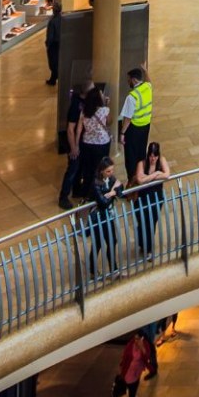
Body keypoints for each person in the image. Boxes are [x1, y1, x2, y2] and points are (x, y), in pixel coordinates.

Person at [58, 79, 97, 209]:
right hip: (73, 141)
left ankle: (76, 190)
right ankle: (63, 197)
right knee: (73, 168)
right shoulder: (76, 106)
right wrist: (73, 147)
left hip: (81, 139)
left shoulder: (85, 102)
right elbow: (70, 129)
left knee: (79, 167)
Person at [74, 85, 114, 201]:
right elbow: (109, 122)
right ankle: (99, 192)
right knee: (101, 169)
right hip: (102, 144)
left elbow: (79, 130)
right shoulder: (104, 110)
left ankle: (87, 192)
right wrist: (107, 105)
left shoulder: (84, 112)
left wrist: (76, 145)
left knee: (88, 169)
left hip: (87, 143)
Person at [131, 142, 170, 255]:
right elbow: (140, 180)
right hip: (142, 198)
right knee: (142, 222)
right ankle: (143, 243)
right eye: (151, 155)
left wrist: (147, 177)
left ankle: (147, 248)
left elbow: (166, 174)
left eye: (155, 156)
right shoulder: (142, 164)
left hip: (156, 197)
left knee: (151, 222)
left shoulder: (162, 160)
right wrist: (156, 174)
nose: (153, 158)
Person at [86, 159, 122, 277]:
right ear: (101, 171)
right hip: (98, 217)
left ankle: (114, 270)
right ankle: (92, 270)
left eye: (112, 170)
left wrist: (111, 193)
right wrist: (114, 192)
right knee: (97, 244)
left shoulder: (110, 178)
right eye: (108, 171)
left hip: (108, 216)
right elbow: (103, 202)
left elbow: (120, 188)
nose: (111, 173)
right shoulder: (96, 184)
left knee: (112, 241)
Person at [110, 329, 157, 397]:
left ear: (142, 338)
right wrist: (122, 366)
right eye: (135, 338)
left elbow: (146, 357)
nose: (136, 340)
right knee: (130, 388)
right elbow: (125, 356)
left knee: (134, 385)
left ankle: (133, 394)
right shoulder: (130, 345)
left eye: (138, 338)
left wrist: (142, 348)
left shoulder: (145, 345)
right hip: (128, 370)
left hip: (137, 370)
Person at [118, 67, 153, 172]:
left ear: (134, 80)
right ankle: (141, 172)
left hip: (134, 129)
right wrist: (146, 71)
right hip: (146, 126)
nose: (128, 82)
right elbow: (149, 81)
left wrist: (122, 133)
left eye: (128, 80)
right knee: (141, 152)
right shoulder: (148, 87)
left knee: (131, 156)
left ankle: (132, 178)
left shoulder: (132, 96)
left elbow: (128, 118)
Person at [44, 0, 63, 86]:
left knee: (53, 62)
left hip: (54, 44)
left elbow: (50, 35)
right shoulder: (63, 18)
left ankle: (55, 78)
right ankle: (53, 78)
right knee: (57, 61)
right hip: (61, 42)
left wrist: (48, 44)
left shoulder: (52, 21)